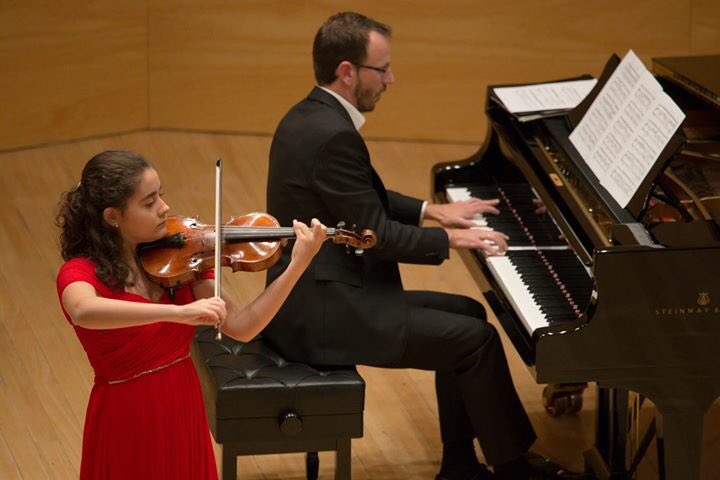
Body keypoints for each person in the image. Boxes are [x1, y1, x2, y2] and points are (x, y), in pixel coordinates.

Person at [264, 11, 568, 480]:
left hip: (324, 292)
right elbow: (374, 235)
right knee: (477, 342)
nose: (391, 78)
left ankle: (460, 463)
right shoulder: (333, 136)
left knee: (468, 315)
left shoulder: (310, 115)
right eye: (381, 69)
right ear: (348, 72)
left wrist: (432, 211)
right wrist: (451, 238)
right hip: (325, 313)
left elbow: (358, 200)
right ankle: (512, 470)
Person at [55, 150, 326, 479]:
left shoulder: (182, 261)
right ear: (113, 216)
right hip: (127, 415)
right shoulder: (79, 272)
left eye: (161, 195)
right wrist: (177, 313)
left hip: (182, 402)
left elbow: (242, 327)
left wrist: (298, 264)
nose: (164, 208)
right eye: (149, 201)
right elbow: (84, 310)